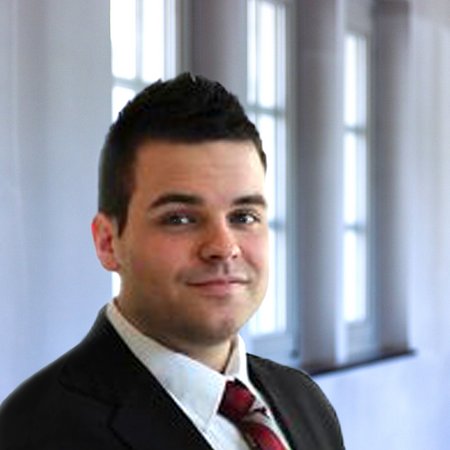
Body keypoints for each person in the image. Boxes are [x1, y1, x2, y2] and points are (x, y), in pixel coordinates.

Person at [0, 73, 345, 449]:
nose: (223, 247)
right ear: (108, 243)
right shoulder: (37, 433)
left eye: (244, 216)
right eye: (179, 218)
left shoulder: (304, 400)